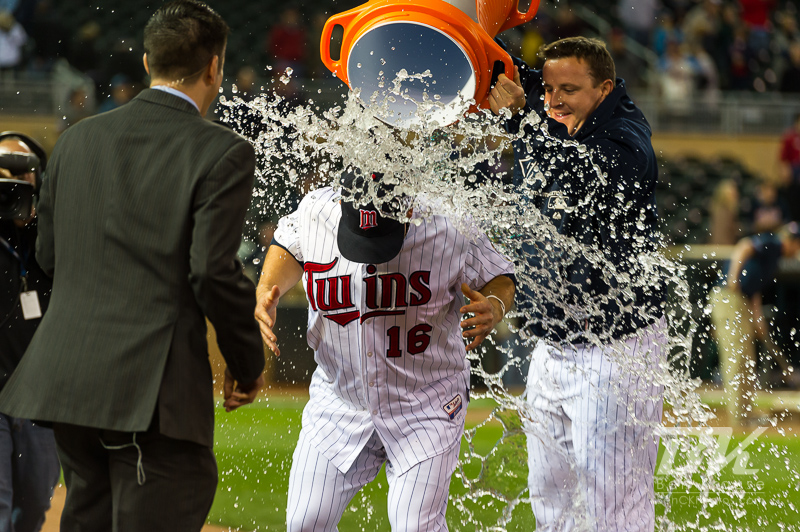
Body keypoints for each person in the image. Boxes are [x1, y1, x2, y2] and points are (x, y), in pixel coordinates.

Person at [0, 2, 266, 531]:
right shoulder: (223, 151)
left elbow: (49, 259)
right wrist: (246, 360)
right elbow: (212, 271)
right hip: (151, 396)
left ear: (147, 62)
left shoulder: (75, 141)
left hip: (68, 387)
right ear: (215, 67)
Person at [254, 170, 515, 531]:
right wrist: (268, 288)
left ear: (408, 209)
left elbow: (500, 276)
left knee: (415, 525)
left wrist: (494, 305)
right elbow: (288, 245)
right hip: (341, 401)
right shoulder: (318, 208)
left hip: (426, 404)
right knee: (304, 523)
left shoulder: (448, 222)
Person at [489, 36, 666, 530]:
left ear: (604, 88)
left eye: (569, 89)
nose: (554, 100)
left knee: (615, 502)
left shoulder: (629, 137)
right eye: (548, 89)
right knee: (551, 500)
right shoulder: (562, 111)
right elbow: (504, 73)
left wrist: (521, 120)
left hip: (617, 347)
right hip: (554, 343)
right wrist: (485, 39)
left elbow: (575, 174)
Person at [0, 132, 60, 532]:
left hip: (41, 400)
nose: (11, 179)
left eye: (22, 169)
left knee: (35, 506)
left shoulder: (53, 238)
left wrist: (39, 220)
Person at [709, 223, 800, 426]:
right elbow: (743, 246)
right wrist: (733, 277)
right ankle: (739, 417)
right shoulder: (773, 242)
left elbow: (754, 288)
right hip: (730, 296)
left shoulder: (774, 258)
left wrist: (757, 319)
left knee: (747, 359)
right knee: (736, 358)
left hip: (742, 301)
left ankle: (746, 411)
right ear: (793, 241)